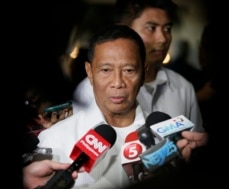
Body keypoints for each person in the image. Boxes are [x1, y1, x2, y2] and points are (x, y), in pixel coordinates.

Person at [37, 24, 205, 189]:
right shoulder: (55, 140)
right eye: (105, 70)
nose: (117, 83)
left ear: (144, 73)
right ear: (89, 71)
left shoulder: (171, 139)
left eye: (129, 70)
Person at [73, 0, 208, 150]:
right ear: (124, 30)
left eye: (167, 29)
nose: (163, 38)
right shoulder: (90, 91)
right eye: (151, 28)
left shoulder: (182, 87)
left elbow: (196, 141)